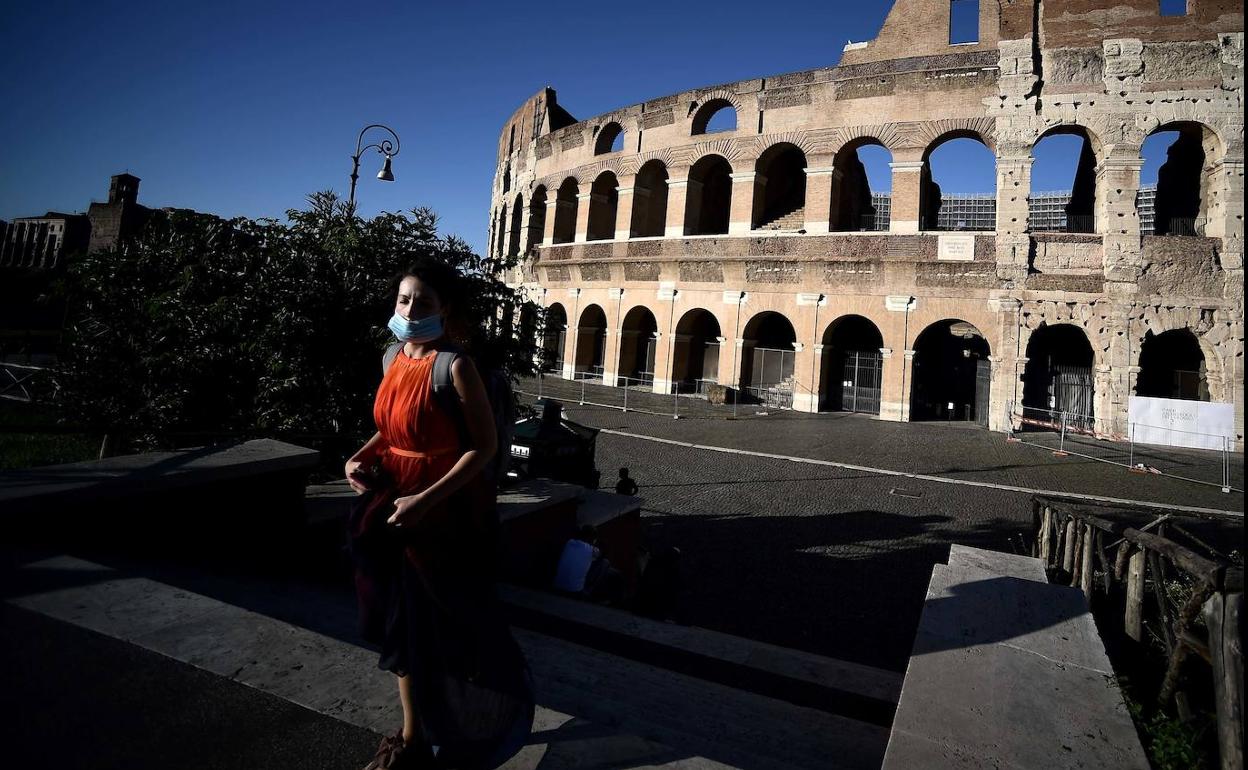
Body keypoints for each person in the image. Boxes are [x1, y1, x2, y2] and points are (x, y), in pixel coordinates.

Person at [345, 258, 533, 770]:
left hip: (440, 511)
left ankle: (418, 737)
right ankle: (414, 731)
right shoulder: (392, 356)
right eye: (404, 300)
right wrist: (360, 455)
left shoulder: (456, 366)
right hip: (392, 500)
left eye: (423, 303)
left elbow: (484, 446)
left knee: (422, 626)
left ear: (444, 310)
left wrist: (425, 500)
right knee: (395, 623)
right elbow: (394, 426)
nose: (410, 310)